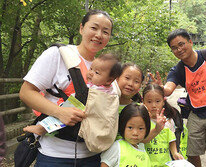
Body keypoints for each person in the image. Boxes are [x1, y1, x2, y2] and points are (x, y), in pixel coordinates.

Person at [19, 9, 113, 166]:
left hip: (93, 154)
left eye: (105, 32)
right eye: (94, 28)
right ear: (81, 28)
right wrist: (59, 112)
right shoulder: (58, 55)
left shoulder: (105, 69)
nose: (99, 35)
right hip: (55, 155)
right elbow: (26, 92)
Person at [152, 29, 206, 167]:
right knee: (192, 154)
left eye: (181, 44)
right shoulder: (178, 70)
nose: (179, 49)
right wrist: (160, 88)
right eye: (174, 48)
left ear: (190, 42)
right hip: (196, 115)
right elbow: (168, 90)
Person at [23, 53, 121, 136]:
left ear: (109, 80)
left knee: (66, 109)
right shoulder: (109, 88)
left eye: (97, 72)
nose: (90, 73)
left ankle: (42, 128)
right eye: (91, 69)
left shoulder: (99, 90)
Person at [100, 103, 166, 167]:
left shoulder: (142, 149)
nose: (135, 133)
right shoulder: (117, 147)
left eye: (140, 128)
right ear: (122, 125)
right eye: (130, 127)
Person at [142, 84, 184, 166]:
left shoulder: (168, 121)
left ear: (163, 102)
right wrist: (156, 129)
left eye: (157, 101)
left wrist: (175, 153)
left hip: (165, 164)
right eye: (149, 101)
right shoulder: (142, 120)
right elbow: (141, 141)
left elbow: (171, 140)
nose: (154, 105)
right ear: (143, 102)